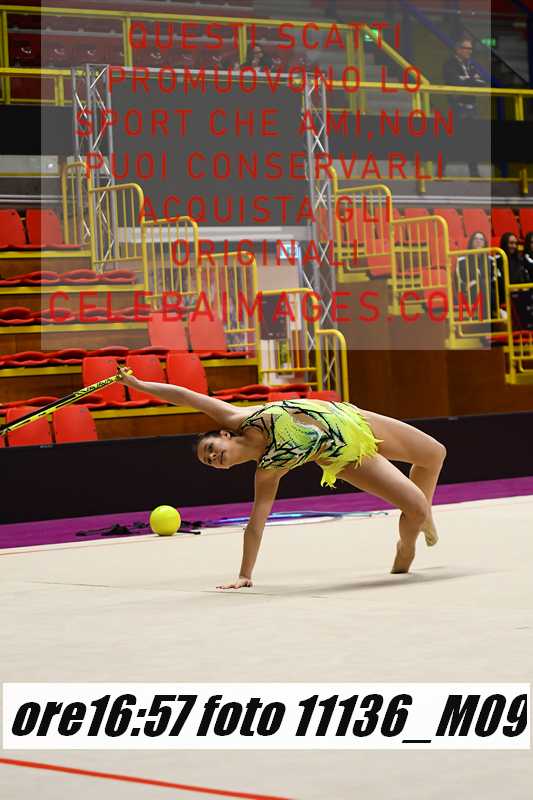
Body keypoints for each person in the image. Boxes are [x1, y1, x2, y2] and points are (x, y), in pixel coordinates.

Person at [118, 369, 446, 589]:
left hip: (351, 418)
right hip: (344, 455)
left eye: (211, 448)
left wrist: (139, 385)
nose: (213, 457)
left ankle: (423, 517)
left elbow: (186, 396)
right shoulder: (268, 471)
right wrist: (244, 575)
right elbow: (255, 525)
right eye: (209, 461)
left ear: (223, 435)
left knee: (434, 453)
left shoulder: (239, 417)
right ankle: (406, 548)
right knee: (415, 505)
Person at [443, 37, 486, 177]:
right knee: (451, 140)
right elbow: (454, 81)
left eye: (471, 48)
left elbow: (482, 83)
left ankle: (474, 173)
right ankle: (440, 172)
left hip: (472, 108)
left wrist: (467, 80)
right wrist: (472, 80)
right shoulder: (450, 64)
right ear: (458, 49)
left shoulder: (471, 65)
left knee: (472, 141)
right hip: (458, 107)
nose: (469, 51)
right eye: (466, 48)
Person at [455, 231, 504, 320]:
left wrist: (477, 281)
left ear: (485, 243)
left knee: (487, 288)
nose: (478, 241)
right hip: (470, 293)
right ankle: (497, 310)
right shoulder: (462, 260)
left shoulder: (490, 260)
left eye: (481, 239)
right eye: (476, 239)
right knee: (484, 288)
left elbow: (495, 278)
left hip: (489, 290)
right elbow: (460, 280)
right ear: (471, 242)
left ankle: (487, 321)